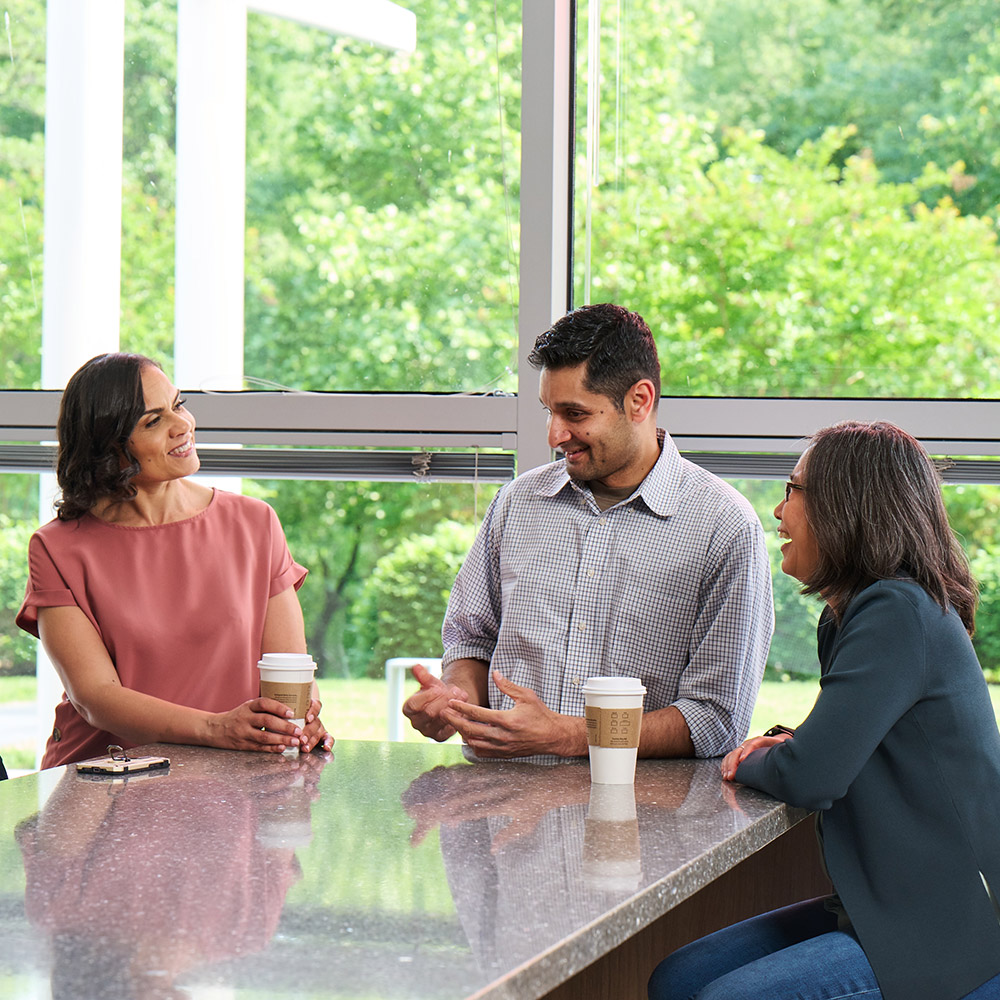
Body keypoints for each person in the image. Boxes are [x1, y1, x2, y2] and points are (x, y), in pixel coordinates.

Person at [648, 420, 1000, 1000]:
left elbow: (812, 774)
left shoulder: (897, 610)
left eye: (792, 491)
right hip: (885, 899)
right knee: (678, 979)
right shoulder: (850, 616)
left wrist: (747, 760)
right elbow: (845, 745)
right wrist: (791, 747)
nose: (779, 514)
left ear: (844, 506)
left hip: (950, 922)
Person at [403, 303, 774, 759]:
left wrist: (568, 735)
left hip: (638, 821)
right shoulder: (516, 504)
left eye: (575, 414)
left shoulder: (724, 527)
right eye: (548, 411)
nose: (554, 435)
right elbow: (472, 640)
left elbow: (716, 718)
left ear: (640, 400)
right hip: (498, 812)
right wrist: (457, 697)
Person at [16, 352, 332, 768]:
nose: (183, 425)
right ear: (108, 444)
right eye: (153, 421)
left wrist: (299, 718)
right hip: (103, 778)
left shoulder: (256, 523)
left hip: (232, 773)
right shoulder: (56, 548)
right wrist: (216, 729)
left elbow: (287, 669)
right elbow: (95, 698)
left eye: (178, 404)